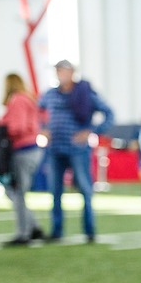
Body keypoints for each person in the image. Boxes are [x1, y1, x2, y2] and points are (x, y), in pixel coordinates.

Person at [38, 60, 114, 242]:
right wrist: (43, 129)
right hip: (55, 149)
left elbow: (109, 113)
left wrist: (91, 131)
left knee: (85, 189)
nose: (59, 74)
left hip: (77, 150)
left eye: (62, 71)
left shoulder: (84, 93)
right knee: (55, 191)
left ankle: (89, 230)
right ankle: (57, 231)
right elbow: (38, 112)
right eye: (57, 71)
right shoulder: (50, 94)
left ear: (71, 72)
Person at [0, 72, 46, 245]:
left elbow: (18, 127)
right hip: (31, 149)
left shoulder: (17, 100)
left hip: (23, 150)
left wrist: (1, 126)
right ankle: (34, 227)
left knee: (17, 192)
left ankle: (23, 233)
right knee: (18, 192)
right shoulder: (28, 98)